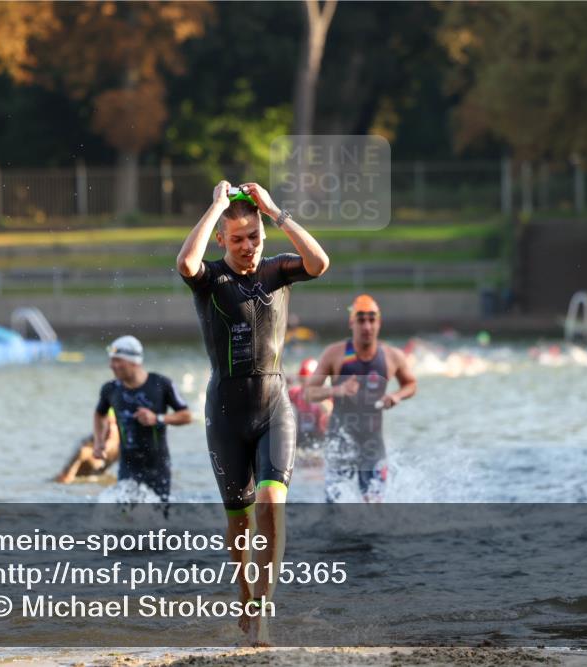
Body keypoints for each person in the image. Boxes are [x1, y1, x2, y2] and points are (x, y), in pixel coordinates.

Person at [176, 180, 329, 645]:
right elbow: (185, 263)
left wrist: (276, 211)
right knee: (240, 522)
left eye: (255, 237)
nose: (248, 247)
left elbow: (319, 263)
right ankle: (245, 597)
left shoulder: (277, 271)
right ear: (222, 239)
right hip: (225, 413)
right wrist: (216, 207)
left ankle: (261, 613)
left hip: (273, 407)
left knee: (271, 503)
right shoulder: (210, 279)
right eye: (238, 239)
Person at [306, 295, 417, 502]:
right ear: (352, 323)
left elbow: (411, 384)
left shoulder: (392, 356)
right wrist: (337, 390)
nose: (367, 326)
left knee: (374, 508)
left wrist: (396, 396)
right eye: (361, 320)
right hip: (340, 443)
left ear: (379, 323)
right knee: (336, 509)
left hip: (372, 446)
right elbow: (309, 392)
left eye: (372, 320)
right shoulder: (335, 354)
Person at [92, 335, 192, 502]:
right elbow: (99, 414)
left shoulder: (161, 384)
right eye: (111, 360)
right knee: (125, 513)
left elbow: (187, 416)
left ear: (134, 361)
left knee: (159, 513)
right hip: (127, 466)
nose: (112, 365)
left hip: (158, 467)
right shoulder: (110, 389)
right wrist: (99, 442)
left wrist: (157, 418)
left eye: (117, 360)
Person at [55, 409, 119, 483]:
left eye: (115, 423)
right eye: (107, 423)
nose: (111, 428)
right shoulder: (85, 449)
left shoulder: (121, 446)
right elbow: (64, 479)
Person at [288, 358, 332, 450]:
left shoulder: (325, 394)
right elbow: (278, 399)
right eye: (302, 381)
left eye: (307, 381)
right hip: (301, 438)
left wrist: (317, 399)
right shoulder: (296, 392)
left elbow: (329, 410)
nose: (305, 385)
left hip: (319, 440)